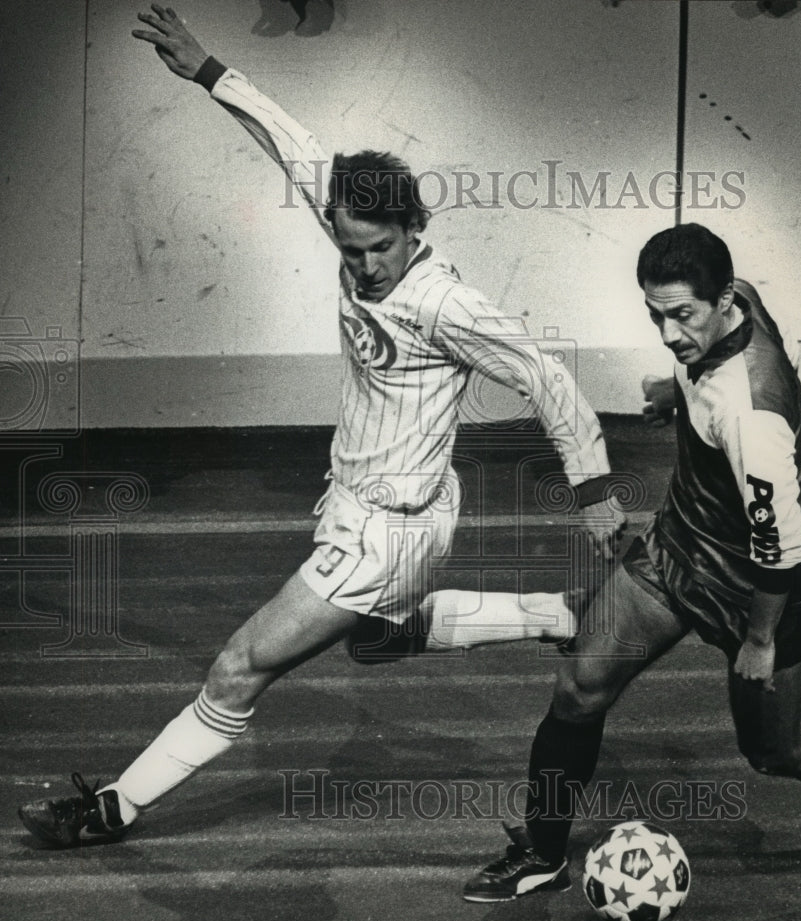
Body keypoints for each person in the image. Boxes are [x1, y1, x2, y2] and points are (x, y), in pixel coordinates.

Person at [18, 5, 625, 848]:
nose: (367, 267)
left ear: (416, 229)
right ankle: (561, 615)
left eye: (382, 249)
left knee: (238, 667)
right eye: (352, 252)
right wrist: (204, 67)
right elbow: (284, 135)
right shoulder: (345, 217)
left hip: (387, 530)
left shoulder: (444, 302)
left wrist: (594, 495)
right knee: (375, 645)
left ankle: (114, 807)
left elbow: (546, 377)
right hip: (377, 510)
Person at [463, 222, 801, 902]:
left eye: (681, 316)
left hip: (762, 592)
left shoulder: (750, 417)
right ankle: (543, 855)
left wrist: (758, 640)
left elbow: (780, 549)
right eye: (656, 315)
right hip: (680, 550)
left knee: (775, 753)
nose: (669, 333)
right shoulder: (737, 305)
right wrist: (677, 390)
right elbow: (727, 354)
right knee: (579, 685)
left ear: (721, 298)